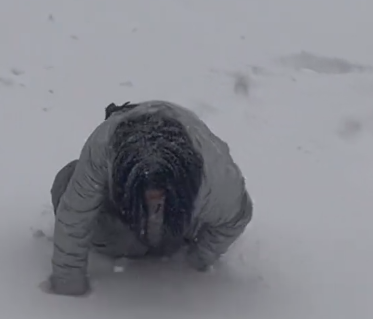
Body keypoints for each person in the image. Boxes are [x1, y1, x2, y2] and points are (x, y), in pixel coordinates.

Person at [42, 100, 253, 297]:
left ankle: (155, 237)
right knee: (70, 180)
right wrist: (68, 281)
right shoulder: (105, 147)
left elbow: (237, 217)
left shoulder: (212, 173)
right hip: (126, 227)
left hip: (179, 229)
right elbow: (76, 215)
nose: (154, 205)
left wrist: (196, 260)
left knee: (71, 177)